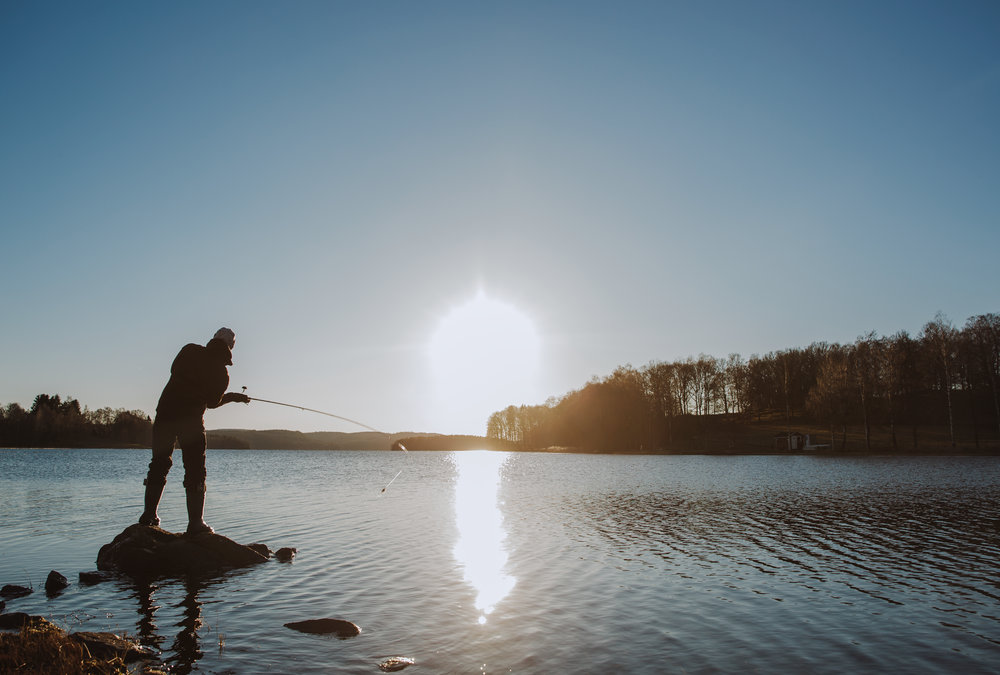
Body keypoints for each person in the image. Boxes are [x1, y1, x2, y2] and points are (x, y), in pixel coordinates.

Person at [138, 327, 250, 534]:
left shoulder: (188, 350)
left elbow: (175, 371)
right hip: (190, 421)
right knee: (195, 469)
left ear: (214, 338)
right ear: (231, 346)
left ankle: (149, 515)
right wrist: (233, 397)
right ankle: (196, 524)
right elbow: (212, 403)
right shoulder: (221, 372)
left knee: (159, 463)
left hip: (165, 413)